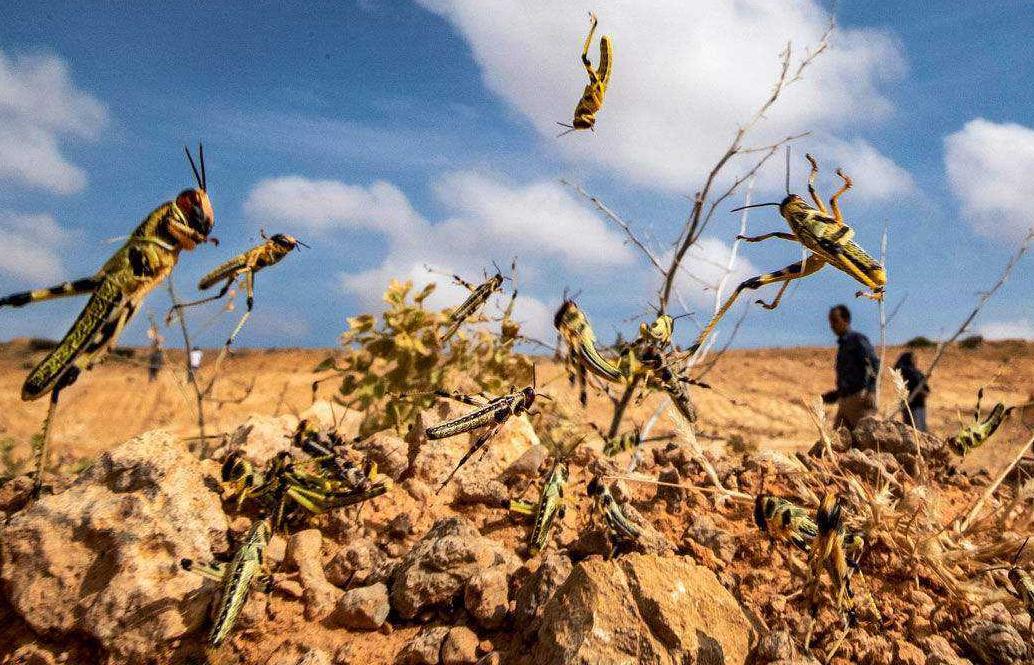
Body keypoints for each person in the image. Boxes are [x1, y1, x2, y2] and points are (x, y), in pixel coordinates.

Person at [821, 304, 879, 430]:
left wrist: (871, 390)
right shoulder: (843, 345)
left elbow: (873, 363)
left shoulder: (857, 340)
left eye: (835, 321)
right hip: (844, 400)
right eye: (831, 322)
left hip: (859, 398)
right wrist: (835, 395)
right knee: (838, 442)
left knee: (865, 438)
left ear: (846, 320)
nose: (832, 326)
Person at [893, 351, 929, 431]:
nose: (915, 360)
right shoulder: (906, 371)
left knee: (918, 430)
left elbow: (926, 389)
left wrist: (922, 391)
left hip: (918, 404)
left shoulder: (917, 373)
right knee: (914, 430)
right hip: (911, 404)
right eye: (913, 358)